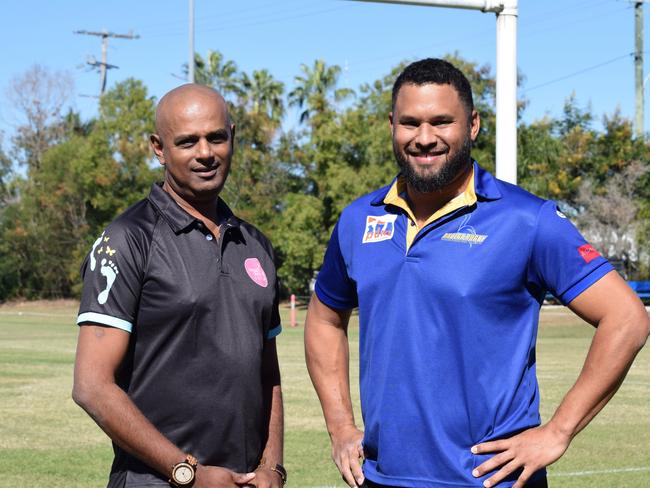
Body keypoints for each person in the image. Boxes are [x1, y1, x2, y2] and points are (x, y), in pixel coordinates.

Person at [304, 58, 650, 488]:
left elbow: (627, 318)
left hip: (490, 480)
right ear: (392, 125)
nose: (424, 138)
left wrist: (556, 433)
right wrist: (340, 428)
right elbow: (323, 319)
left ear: (472, 125)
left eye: (441, 122)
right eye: (410, 123)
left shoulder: (527, 219)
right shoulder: (358, 220)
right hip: (381, 477)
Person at [73, 84, 286, 488]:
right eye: (187, 141)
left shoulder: (256, 244)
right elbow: (91, 386)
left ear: (232, 137)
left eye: (216, 137)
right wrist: (186, 472)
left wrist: (272, 465)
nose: (205, 153)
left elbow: (267, 372)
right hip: (156, 481)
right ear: (159, 147)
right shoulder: (127, 238)